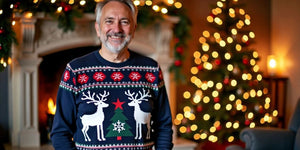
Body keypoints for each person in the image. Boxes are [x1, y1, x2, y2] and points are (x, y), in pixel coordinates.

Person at [50, 0, 174, 149]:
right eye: (109, 21)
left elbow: (164, 126)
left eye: (124, 22)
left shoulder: (151, 70)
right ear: (98, 28)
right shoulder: (75, 71)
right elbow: (60, 132)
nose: (117, 29)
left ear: (133, 29)